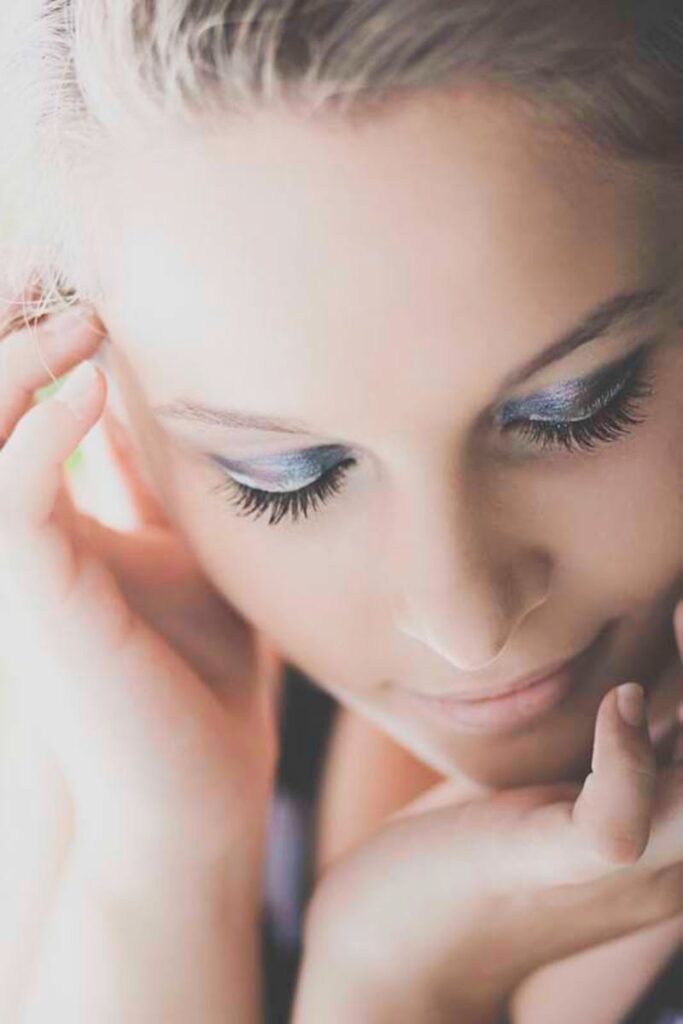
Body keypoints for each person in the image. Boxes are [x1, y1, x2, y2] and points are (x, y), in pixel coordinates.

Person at [0, 1, 682, 1021]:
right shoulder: (111, 694)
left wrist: (400, 987)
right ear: (114, 424)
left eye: (571, 409)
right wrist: (168, 854)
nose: (466, 625)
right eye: (287, 474)